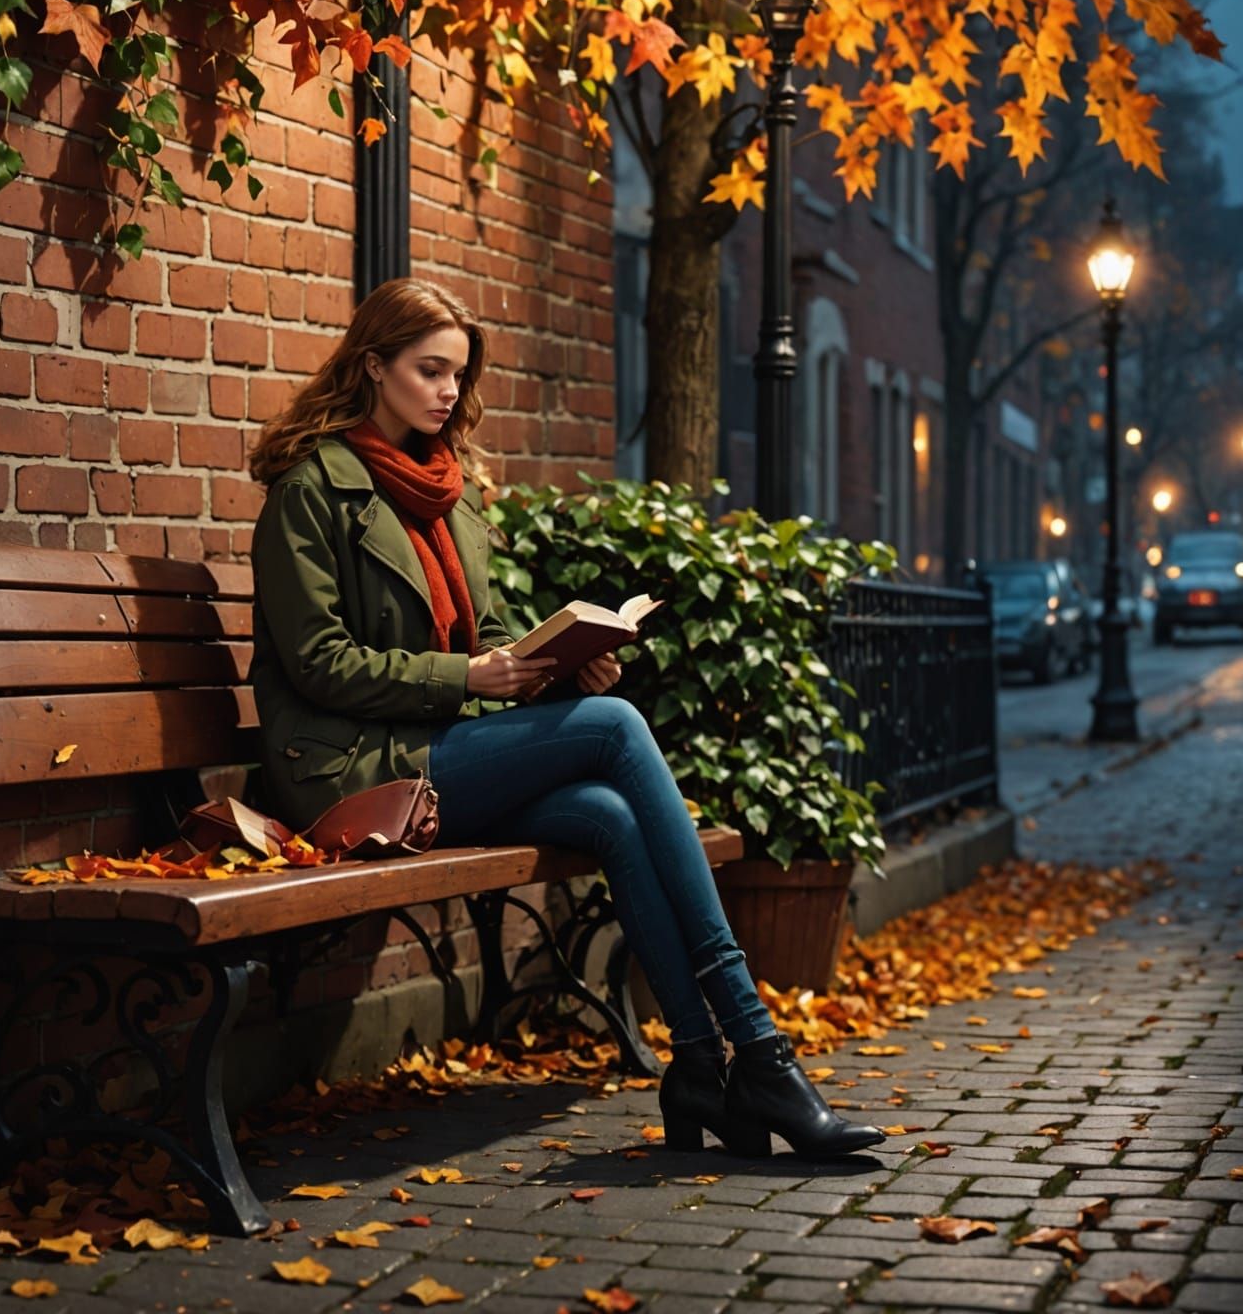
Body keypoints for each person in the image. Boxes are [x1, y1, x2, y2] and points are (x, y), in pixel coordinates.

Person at [247, 277, 882, 1160]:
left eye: (458, 377)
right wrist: (469, 674)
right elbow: (319, 663)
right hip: (349, 767)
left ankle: (699, 1063)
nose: (447, 393)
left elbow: (492, 637)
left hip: (432, 748)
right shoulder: (309, 492)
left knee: (610, 815)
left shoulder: (449, 492)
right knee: (617, 730)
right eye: (430, 371)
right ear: (372, 366)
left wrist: (562, 664)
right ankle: (761, 1047)